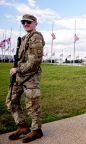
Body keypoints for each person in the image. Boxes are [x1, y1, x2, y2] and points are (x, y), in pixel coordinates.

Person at [6, 14, 45, 143]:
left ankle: (36, 130)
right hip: (19, 76)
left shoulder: (36, 37)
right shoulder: (24, 38)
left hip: (31, 76)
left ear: (35, 23)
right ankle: (22, 126)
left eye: (28, 22)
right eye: (23, 22)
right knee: (12, 100)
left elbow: (34, 61)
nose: (25, 24)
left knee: (32, 104)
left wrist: (18, 69)